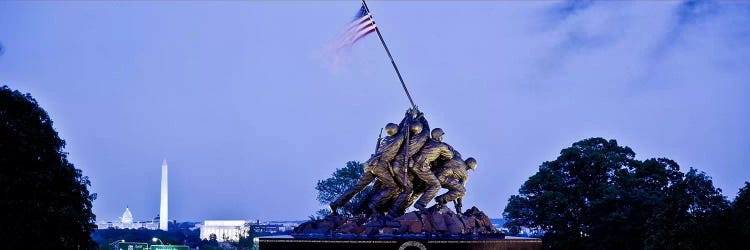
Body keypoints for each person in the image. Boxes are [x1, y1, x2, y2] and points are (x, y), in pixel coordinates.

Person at [329, 122, 403, 216]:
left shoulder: (385, 140)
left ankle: (335, 204)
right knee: (394, 187)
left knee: (357, 187)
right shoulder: (398, 139)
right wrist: (412, 117)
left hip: (370, 164)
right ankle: (374, 204)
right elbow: (405, 129)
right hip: (380, 166)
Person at [388, 109, 430, 216]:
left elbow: (403, 128)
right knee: (408, 189)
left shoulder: (404, 136)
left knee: (404, 187)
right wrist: (422, 117)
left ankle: (397, 210)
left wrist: (408, 116)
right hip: (401, 166)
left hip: (395, 165)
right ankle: (392, 212)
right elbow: (427, 130)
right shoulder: (421, 138)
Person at [405, 128, 453, 213]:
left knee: (418, 187)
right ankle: (420, 204)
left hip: (413, 163)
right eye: (441, 135)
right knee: (436, 185)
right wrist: (448, 147)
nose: (442, 137)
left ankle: (404, 206)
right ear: (438, 136)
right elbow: (450, 155)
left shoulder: (428, 141)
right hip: (421, 166)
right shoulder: (441, 146)